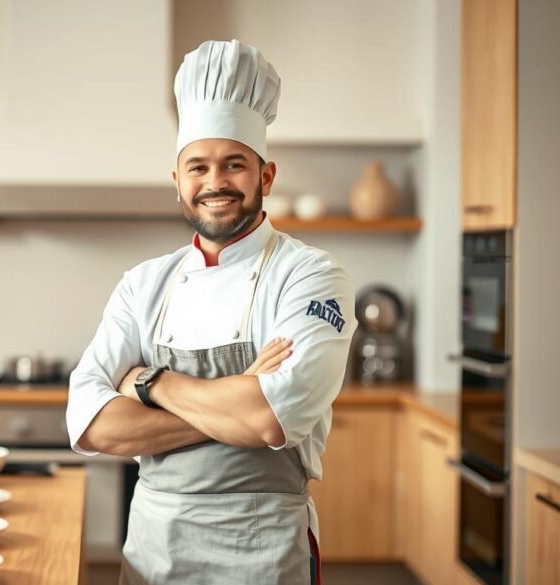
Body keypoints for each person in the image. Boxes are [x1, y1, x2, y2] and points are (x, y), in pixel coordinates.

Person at [65, 39, 358, 584]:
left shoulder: (311, 276)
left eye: (234, 164)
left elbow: (267, 419)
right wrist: (236, 398)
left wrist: (149, 382)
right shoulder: (142, 284)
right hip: (154, 554)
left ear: (266, 177)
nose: (215, 182)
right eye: (197, 167)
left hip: (264, 553)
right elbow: (92, 424)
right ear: (177, 181)